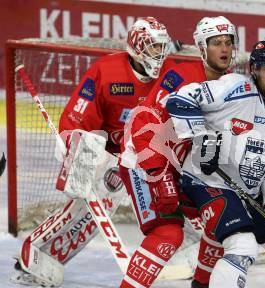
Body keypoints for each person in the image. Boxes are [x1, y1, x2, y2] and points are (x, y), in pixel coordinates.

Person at [10, 17, 175, 287]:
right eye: (153, 47)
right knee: (90, 210)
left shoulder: (170, 75)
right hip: (108, 154)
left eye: (161, 48)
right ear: (136, 47)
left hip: (143, 157)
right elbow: (77, 115)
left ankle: (196, 245)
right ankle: (35, 251)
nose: (159, 54)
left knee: (174, 192)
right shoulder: (106, 71)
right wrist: (73, 143)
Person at [166, 41, 265, 288]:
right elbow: (178, 99)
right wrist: (203, 137)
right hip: (206, 182)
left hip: (248, 193)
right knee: (243, 244)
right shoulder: (234, 87)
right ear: (255, 70)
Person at [119, 16, 239, 288]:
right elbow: (144, 121)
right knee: (168, 233)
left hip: (184, 168)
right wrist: (157, 174)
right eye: (216, 43)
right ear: (201, 47)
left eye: (228, 43)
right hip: (144, 162)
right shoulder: (180, 77)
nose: (224, 49)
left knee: (221, 218)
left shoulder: (232, 87)